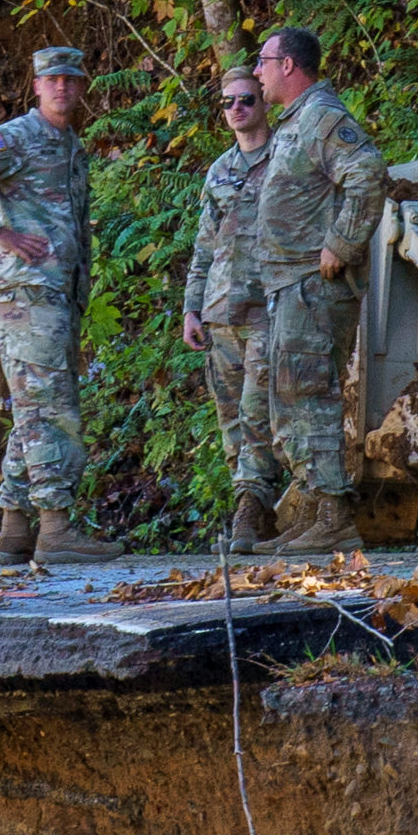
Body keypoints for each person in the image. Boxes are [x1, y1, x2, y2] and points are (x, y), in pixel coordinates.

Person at [0, 48, 115, 566]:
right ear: (35, 85)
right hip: (26, 292)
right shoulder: (15, 137)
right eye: (51, 79)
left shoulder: (70, 145)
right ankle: (56, 528)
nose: (61, 87)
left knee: (35, 406)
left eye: (70, 79)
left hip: (55, 293)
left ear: (81, 87)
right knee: (52, 409)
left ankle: (14, 529)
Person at [245, 25, 387, 556]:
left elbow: (368, 172)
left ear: (288, 65)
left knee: (310, 397)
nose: (256, 71)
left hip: (314, 285)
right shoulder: (295, 121)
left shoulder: (322, 117)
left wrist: (340, 244)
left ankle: (332, 516)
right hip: (291, 285)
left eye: (263, 61)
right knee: (292, 400)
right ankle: (314, 510)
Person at [179, 68, 279, 550]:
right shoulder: (218, 170)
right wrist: (191, 309)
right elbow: (204, 246)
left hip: (269, 308)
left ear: (264, 101)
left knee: (258, 412)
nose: (236, 108)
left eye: (245, 99)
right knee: (232, 420)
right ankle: (258, 512)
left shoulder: (286, 157)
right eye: (226, 103)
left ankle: (248, 511)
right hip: (220, 313)